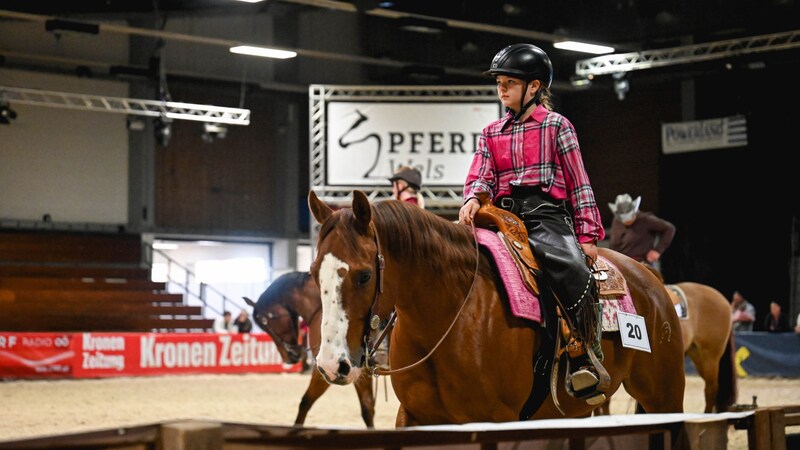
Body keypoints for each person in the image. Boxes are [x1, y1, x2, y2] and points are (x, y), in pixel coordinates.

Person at [458, 43, 606, 404]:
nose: (502, 89)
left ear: (534, 87)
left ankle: (582, 352)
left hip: (546, 216)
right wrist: (473, 197)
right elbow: (481, 175)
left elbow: (579, 182)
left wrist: (587, 233)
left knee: (567, 267)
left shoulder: (558, 127)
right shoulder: (492, 132)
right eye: (500, 82)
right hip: (500, 216)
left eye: (510, 82)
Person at [607, 194, 676, 269]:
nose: (627, 221)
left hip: (641, 264)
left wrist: (658, 250)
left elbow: (669, 228)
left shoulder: (646, 219)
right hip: (619, 264)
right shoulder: (617, 221)